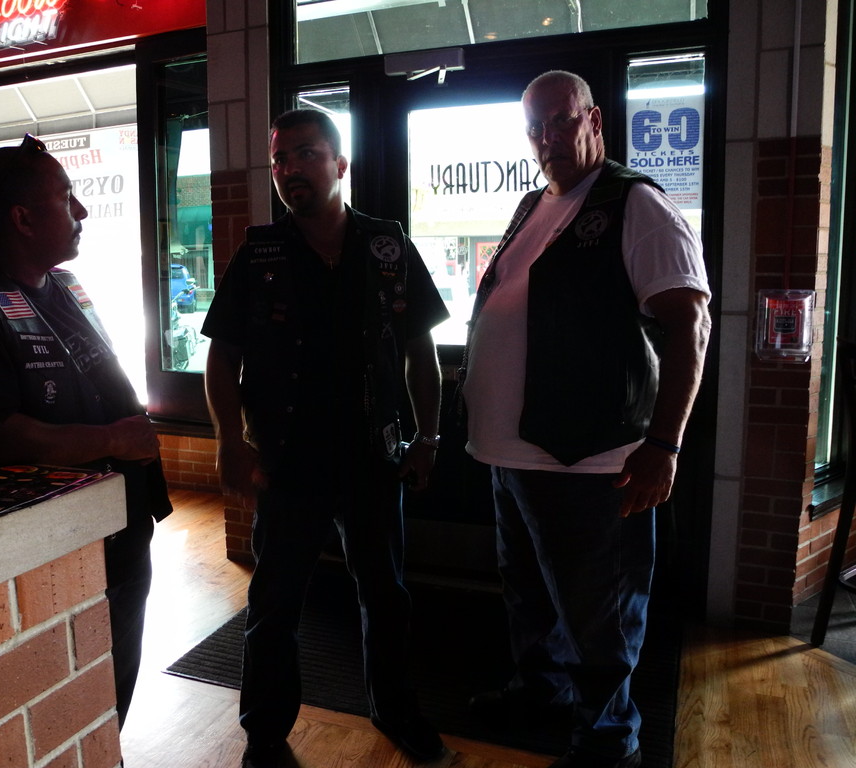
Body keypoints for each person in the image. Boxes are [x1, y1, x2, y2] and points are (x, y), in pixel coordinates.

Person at [460, 71, 711, 768]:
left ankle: (608, 739)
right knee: (531, 598)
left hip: (591, 459)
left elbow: (689, 325)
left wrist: (664, 446)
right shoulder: (533, 205)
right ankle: (541, 694)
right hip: (513, 454)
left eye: (561, 121)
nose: (547, 138)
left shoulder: (637, 204)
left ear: (594, 120)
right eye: (535, 127)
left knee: (599, 611)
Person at [202, 108, 449, 768]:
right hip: (288, 460)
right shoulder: (260, 253)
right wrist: (230, 440)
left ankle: (396, 711)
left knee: (386, 595)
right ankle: (264, 732)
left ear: (341, 164)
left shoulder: (387, 246)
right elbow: (222, 357)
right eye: (279, 159)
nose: (289, 169)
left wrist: (428, 437)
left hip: (374, 456)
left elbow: (419, 350)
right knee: (274, 601)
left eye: (305, 154)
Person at [0, 134, 171, 730]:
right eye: (66, 197)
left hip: (119, 518)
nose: (81, 211)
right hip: (50, 539)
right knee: (66, 696)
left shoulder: (64, 285)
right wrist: (113, 440)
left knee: (116, 677)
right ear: (23, 219)